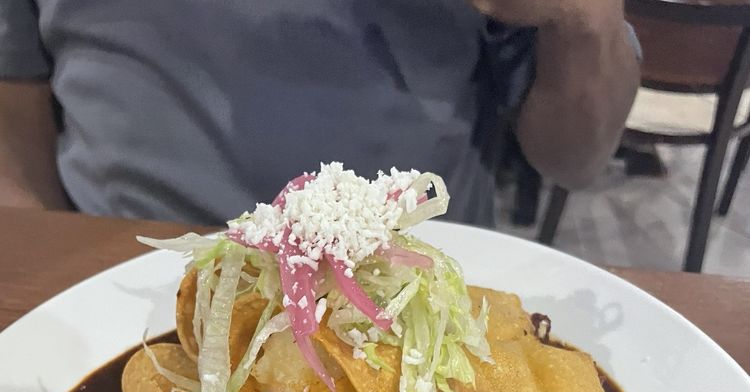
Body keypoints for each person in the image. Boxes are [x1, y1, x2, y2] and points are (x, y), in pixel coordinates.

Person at [0, 1, 639, 226]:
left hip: (414, 282)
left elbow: (576, 161)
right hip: (121, 269)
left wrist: (585, 19)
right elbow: (13, 89)